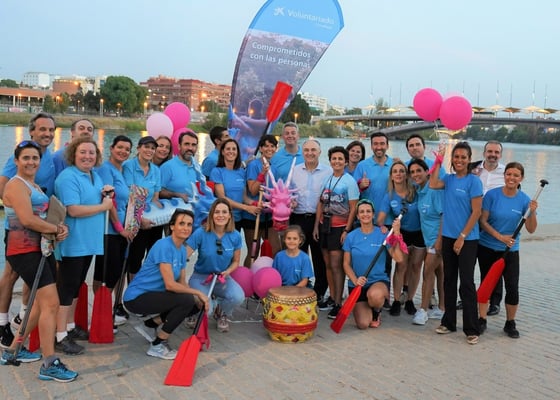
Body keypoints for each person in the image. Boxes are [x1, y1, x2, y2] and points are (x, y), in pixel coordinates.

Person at [0, 140, 78, 382]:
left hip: (41, 250)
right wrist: (55, 228)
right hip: (24, 252)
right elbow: (27, 220)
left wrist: (59, 230)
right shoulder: (15, 185)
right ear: (16, 161)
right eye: (26, 158)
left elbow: (43, 217)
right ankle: (49, 363)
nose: (31, 162)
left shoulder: (33, 185)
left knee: (37, 304)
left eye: (35, 158)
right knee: (51, 304)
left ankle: (13, 349)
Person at [0, 112, 56, 348]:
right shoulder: (21, 155)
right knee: (11, 275)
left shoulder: (49, 156)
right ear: (32, 131)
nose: (47, 133)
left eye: (51, 130)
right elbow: (4, 188)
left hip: (40, 233)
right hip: (19, 233)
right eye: (42, 129)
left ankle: (22, 320)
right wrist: (18, 206)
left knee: (35, 285)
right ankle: (2, 323)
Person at [54, 136, 114, 355]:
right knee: (67, 288)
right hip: (74, 242)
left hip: (90, 242)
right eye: (83, 152)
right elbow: (73, 210)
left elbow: (95, 199)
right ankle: (59, 335)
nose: (87, 156)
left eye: (91, 152)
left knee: (77, 284)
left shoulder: (94, 175)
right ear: (74, 154)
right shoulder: (68, 177)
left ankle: (70, 326)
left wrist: (105, 193)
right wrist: (103, 206)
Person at [123, 209, 209, 359]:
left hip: (155, 294)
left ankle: (149, 325)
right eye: (181, 223)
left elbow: (181, 282)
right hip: (136, 298)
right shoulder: (163, 245)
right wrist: (198, 292)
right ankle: (157, 345)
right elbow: (170, 285)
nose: (186, 228)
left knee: (195, 304)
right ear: (172, 226)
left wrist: (199, 299)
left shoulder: (182, 250)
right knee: (187, 300)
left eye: (189, 224)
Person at [430, 141, 483, 345]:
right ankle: (449, 322)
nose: (459, 160)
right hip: (449, 237)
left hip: (467, 239)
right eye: (456, 157)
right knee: (449, 280)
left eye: (463, 157)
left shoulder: (474, 182)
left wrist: (462, 236)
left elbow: (476, 212)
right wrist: (439, 159)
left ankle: (471, 328)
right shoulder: (449, 179)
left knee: (467, 283)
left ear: (469, 160)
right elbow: (432, 183)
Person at [477, 162, 538, 339]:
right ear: (504, 176)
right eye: (508, 174)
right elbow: (483, 222)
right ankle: (482, 319)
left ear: (521, 178)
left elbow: (531, 229)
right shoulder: (492, 195)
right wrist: (500, 237)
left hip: (510, 250)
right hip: (487, 247)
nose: (511, 178)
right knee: (487, 283)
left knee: (512, 287)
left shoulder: (525, 200)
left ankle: (510, 322)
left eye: (516, 175)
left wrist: (532, 212)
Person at [342, 199, 405, 329]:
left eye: (368, 211)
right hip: (358, 284)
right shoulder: (351, 237)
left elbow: (398, 258)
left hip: (378, 281)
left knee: (374, 296)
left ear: (373, 214)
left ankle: (376, 311)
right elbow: (346, 264)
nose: (365, 214)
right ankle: (366, 308)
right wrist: (355, 280)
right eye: (362, 212)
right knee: (363, 324)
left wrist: (397, 233)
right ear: (357, 216)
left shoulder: (383, 234)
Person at [93, 135, 135, 326]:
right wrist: (120, 228)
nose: (123, 151)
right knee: (107, 275)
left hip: (121, 231)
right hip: (110, 231)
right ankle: (101, 317)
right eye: (120, 147)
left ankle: (103, 313)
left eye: (127, 149)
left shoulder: (121, 170)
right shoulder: (105, 169)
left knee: (111, 273)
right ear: (111, 148)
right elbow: (108, 201)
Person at [313, 146, 359, 319]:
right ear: (330, 160)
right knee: (327, 264)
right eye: (334, 158)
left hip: (340, 227)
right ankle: (332, 297)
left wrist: (347, 230)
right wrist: (316, 226)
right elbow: (320, 203)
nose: (337, 161)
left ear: (346, 162)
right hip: (325, 225)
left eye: (340, 159)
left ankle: (339, 302)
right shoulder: (328, 179)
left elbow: (353, 208)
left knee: (336, 265)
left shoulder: (349, 181)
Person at [186, 199, 245, 333]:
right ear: (211, 215)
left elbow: (236, 261)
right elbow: (184, 255)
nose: (220, 215)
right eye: (217, 212)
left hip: (222, 278)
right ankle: (194, 312)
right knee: (208, 309)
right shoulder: (201, 233)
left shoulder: (235, 236)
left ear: (229, 215)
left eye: (224, 212)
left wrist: (228, 271)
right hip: (201, 277)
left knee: (238, 297)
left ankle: (222, 312)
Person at [377, 160, 425, 317]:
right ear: (391, 176)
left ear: (407, 175)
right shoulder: (389, 196)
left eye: (402, 171)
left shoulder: (416, 190)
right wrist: (382, 226)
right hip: (402, 233)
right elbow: (381, 218)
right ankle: (397, 300)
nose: (398, 174)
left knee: (416, 266)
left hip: (420, 233)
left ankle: (410, 299)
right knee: (401, 266)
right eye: (395, 171)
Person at [290, 139, 332, 305]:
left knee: (319, 257)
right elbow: (289, 192)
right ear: (302, 152)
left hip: (319, 218)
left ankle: (319, 292)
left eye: (313, 150)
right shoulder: (294, 170)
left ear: (320, 152)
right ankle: (300, 288)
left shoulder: (328, 171)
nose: (310, 153)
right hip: (298, 217)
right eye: (306, 150)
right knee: (298, 255)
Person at [211, 138, 260, 266]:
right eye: (228, 149)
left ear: (238, 152)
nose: (231, 151)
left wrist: (254, 204)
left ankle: (241, 275)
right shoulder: (217, 171)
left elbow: (244, 197)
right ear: (222, 152)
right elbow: (222, 198)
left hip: (239, 218)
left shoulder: (241, 172)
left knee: (244, 253)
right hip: (225, 220)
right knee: (226, 254)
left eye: (234, 149)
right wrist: (246, 208)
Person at [470, 140, 506, 316]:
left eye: (496, 152)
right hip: (472, 221)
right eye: (490, 151)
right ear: (484, 153)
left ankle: (494, 301)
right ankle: (469, 297)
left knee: (492, 264)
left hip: (493, 224)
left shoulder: (506, 173)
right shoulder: (473, 169)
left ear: (500, 155)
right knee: (469, 262)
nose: (493, 155)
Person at [408, 159, 444, 325]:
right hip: (429, 239)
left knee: (427, 272)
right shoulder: (419, 190)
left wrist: (439, 241)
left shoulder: (434, 190)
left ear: (427, 171)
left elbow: (444, 215)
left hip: (438, 239)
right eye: (412, 172)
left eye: (419, 171)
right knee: (440, 273)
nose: (415, 174)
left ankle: (422, 311)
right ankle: (442, 308)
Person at [123, 136, 163, 281]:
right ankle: (132, 288)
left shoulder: (156, 170)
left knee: (153, 254)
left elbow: (155, 197)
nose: (149, 150)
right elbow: (131, 195)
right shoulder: (129, 166)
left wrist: (158, 214)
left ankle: (146, 286)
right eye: (146, 147)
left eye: (153, 148)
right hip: (133, 218)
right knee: (135, 258)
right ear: (139, 148)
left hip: (150, 217)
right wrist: (140, 218)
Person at [245, 134, 282, 259]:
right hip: (253, 215)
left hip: (268, 215)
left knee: (276, 249)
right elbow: (253, 190)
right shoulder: (253, 165)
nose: (269, 149)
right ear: (260, 148)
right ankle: (248, 272)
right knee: (253, 252)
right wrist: (262, 173)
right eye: (266, 146)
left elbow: (276, 192)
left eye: (272, 146)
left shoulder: (274, 169)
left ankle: (270, 271)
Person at [159, 131, 199, 202]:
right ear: (179, 146)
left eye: (193, 145)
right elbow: (158, 191)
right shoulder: (167, 167)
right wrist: (175, 195)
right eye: (186, 144)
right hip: (174, 207)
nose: (190, 148)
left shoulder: (198, 167)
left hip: (196, 207)